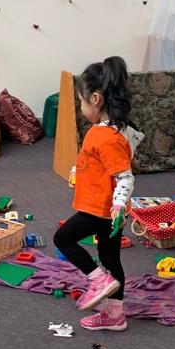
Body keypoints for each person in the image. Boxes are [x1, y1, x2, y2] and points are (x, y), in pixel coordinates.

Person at [52, 56, 142, 332]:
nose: (80, 107)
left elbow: (125, 176)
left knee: (63, 239)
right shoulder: (109, 130)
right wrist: (78, 172)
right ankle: (115, 315)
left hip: (100, 211)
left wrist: (117, 207)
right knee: (110, 259)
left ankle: (98, 280)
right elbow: (98, 163)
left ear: (95, 99)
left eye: (81, 101)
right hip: (108, 211)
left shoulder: (106, 137)